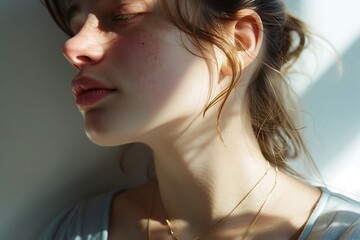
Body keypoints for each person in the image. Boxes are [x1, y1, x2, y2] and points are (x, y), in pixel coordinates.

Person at [39, 0, 360, 239]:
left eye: (124, 15)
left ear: (237, 43)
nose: (72, 46)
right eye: (75, 26)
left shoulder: (346, 231)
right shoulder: (75, 231)